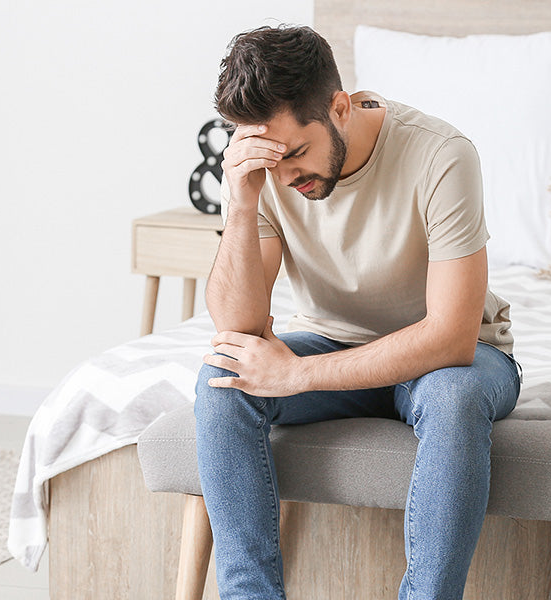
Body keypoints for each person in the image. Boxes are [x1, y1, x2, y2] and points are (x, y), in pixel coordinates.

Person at [195, 24, 519, 600]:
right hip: (334, 344)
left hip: (451, 362)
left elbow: (451, 339)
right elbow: (237, 327)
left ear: (339, 108)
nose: (287, 178)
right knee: (223, 376)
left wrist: (296, 375)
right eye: (271, 163)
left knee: (455, 395)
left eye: (296, 153)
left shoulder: (441, 155)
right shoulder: (267, 176)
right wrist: (241, 205)